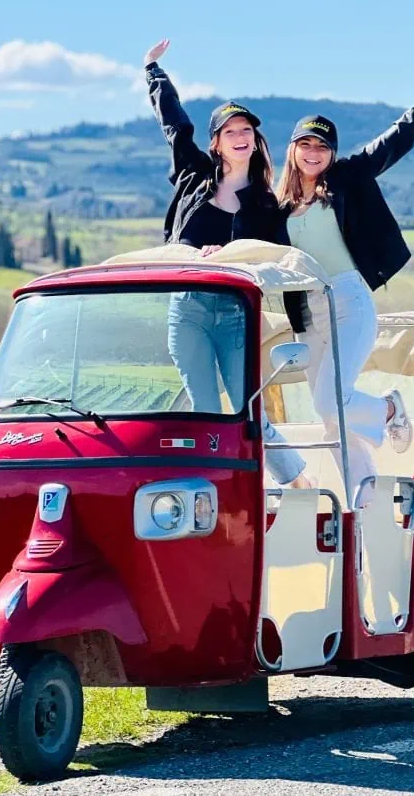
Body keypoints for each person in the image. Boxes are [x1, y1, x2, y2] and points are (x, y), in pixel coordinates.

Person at [276, 61, 414, 507]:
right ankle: (362, 504)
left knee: (330, 402)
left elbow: (397, 138)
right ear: (292, 149)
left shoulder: (347, 179)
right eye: (305, 144)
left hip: (348, 300)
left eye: (322, 146)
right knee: (334, 421)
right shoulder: (279, 201)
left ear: (331, 152)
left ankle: (388, 409)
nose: (313, 152)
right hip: (306, 313)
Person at [144, 38, 310, 489]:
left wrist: (303, 326)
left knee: (246, 409)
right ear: (217, 143)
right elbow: (175, 125)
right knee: (203, 410)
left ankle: (297, 484)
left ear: (256, 142)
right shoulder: (194, 176)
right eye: (231, 132)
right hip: (188, 310)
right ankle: (211, 493)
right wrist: (153, 72)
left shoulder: (264, 206)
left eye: (247, 132)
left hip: (236, 315)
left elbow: (283, 264)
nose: (241, 138)